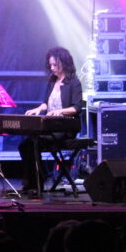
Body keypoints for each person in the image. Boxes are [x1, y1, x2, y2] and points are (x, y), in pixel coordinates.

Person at [18, 46, 83, 193]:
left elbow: (76, 107)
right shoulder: (53, 81)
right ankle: (34, 181)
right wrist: (39, 109)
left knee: (32, 144)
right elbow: (46, 102)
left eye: (55, 65)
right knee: (25, 145)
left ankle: (37, 182)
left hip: (65, 128)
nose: (52, 68)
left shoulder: (74, 82)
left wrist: (59, 111)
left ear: (64, 63)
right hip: (51, 125)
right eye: (51, 65)